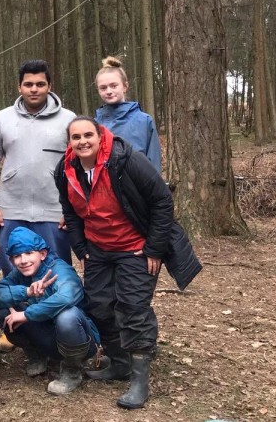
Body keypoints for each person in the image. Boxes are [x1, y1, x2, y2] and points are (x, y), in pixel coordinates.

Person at [54, 116, 202, 409]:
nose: (83, 142)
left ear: (100, 136)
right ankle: (119, 362)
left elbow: (162, 201)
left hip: (135, 248)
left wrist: (154, 249)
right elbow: (69, 210)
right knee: (99, 304)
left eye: (88, 135)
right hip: (97, 248)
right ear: (69, 142)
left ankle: (139, 380)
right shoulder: (65, 169)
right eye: (76, 137)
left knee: (132, 307)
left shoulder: (125, 160)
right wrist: (80, 247)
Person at [0, 59, 75, 274]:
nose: (34, 89)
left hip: (54, 213)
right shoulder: (2, 119)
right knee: (15, 272)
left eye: (40, 84)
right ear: (19, 87)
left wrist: (71, 211)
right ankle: (16, 308)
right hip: (10, 212)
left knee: (56, 272)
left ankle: (59, 308)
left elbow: (77, 168)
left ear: (49, 86)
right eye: (28, 84)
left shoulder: (68, 120)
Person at [0, 227, 100, 396]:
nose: (23, 260)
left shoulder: (60, 270)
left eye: (28, 253)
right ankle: (37, 355)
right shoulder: (19, 274)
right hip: (46, 335)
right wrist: (26, 292)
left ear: (42, 254)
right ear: (12, 261)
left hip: (80, 337)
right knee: (3, 309)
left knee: (67, 316)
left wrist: (26, 314)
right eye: (17, 256)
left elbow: (66, 298)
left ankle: (72, 371)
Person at [94, 56, 161, 170]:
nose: (109, 91)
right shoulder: (94, 125)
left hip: (139, 185)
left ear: (125, 86)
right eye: (103, 88)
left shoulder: (144, 121)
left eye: (114, 86)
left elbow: (154, 162)